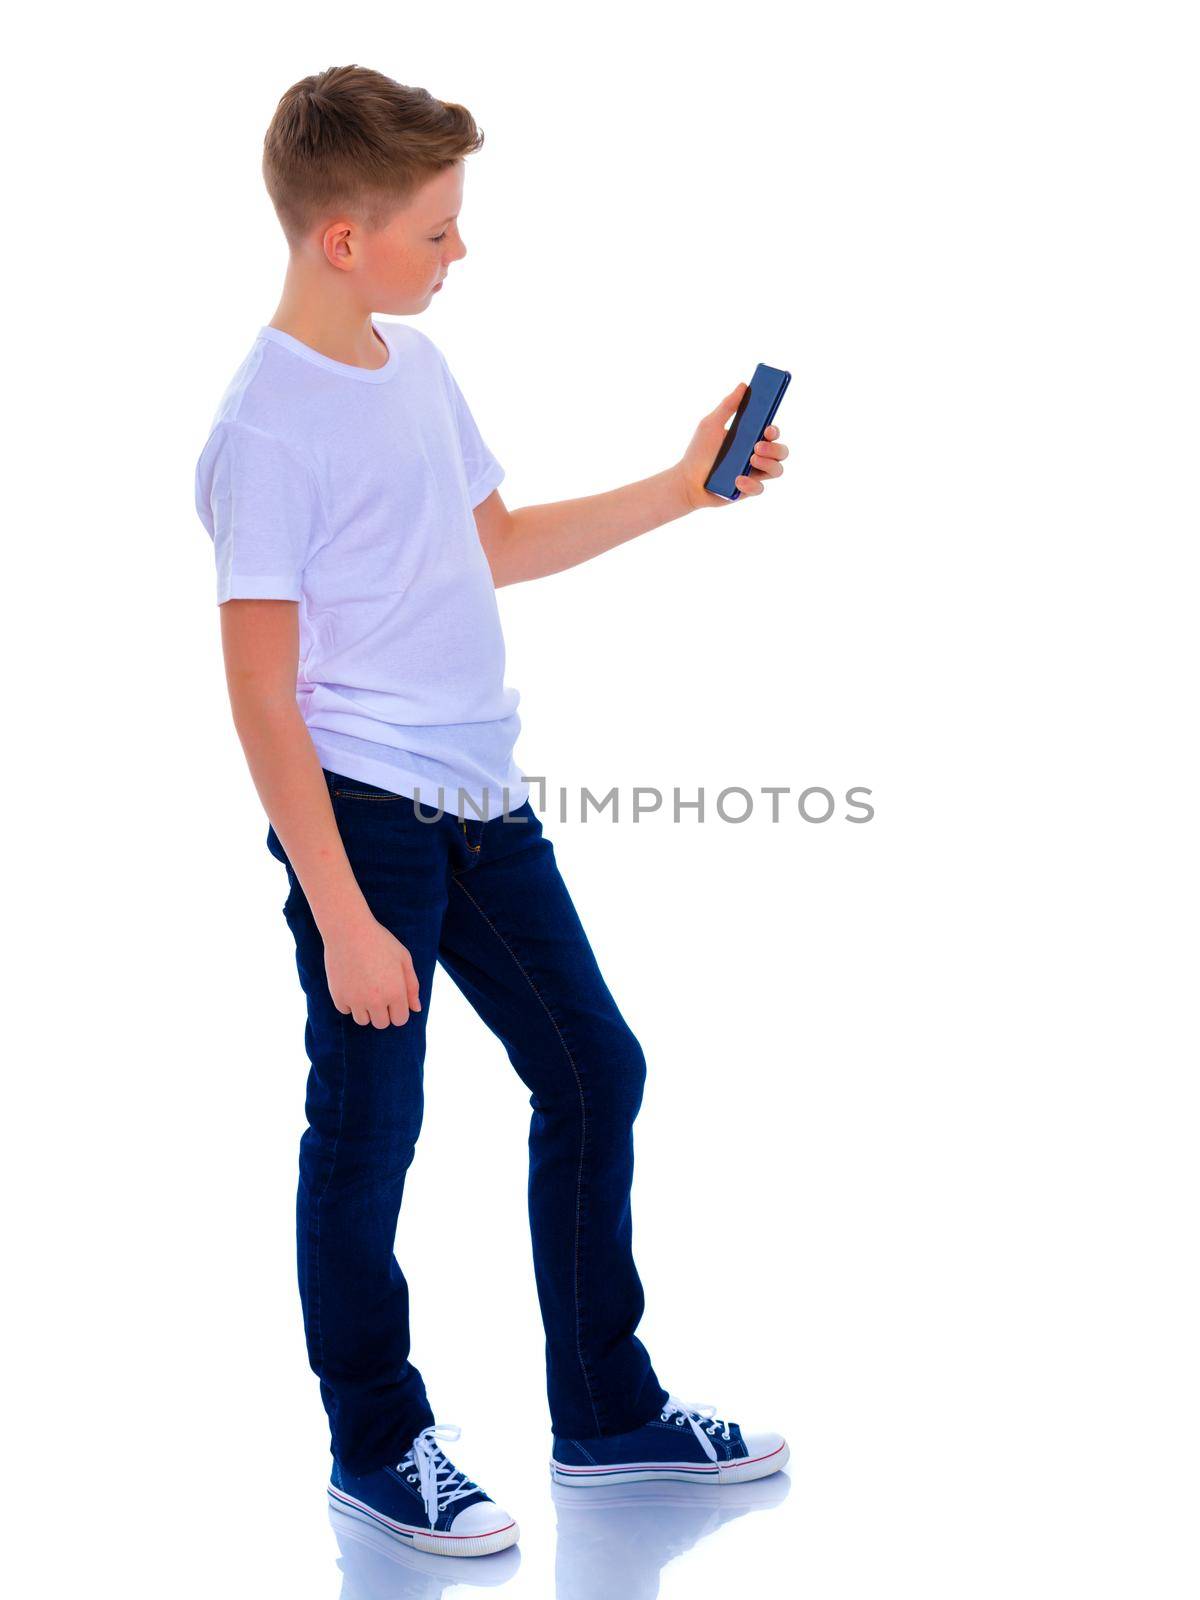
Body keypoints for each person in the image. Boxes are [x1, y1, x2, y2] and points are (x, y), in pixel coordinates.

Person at [193, 64, 791, 1560]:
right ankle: (379, 1449)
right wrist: (342, 915)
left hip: (483, 801)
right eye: (436, 232)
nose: (458, 253)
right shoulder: (263, 432)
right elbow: (264, 697)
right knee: (371, 1133)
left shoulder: (415, 373)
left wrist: (680, 488)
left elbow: (494, 546)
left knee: (593, 1067)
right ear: (345, 238)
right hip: (368, 822)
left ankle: (606, 1411)